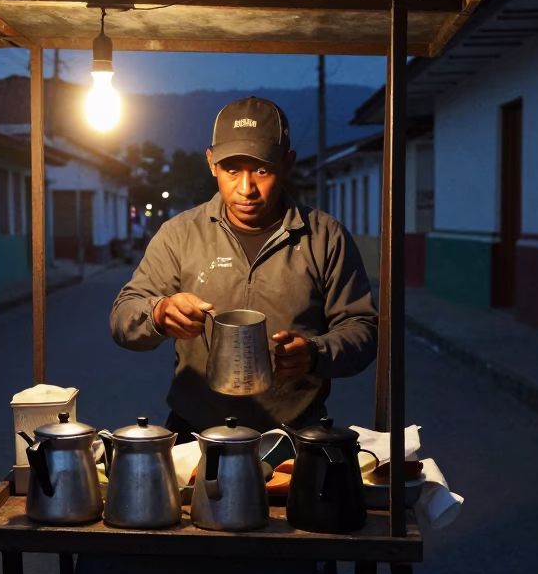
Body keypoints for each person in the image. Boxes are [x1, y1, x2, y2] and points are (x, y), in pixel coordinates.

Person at [109, 96, 378, 436]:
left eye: (262, 170)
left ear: (287, 164)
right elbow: (122, 318)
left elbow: (363, 328)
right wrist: (158, 313)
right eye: (232, 170)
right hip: (196, 432)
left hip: (294, 434)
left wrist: (314, 352)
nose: (246, 188)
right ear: (211, 163)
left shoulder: (325, 237)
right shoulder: (179, 235)